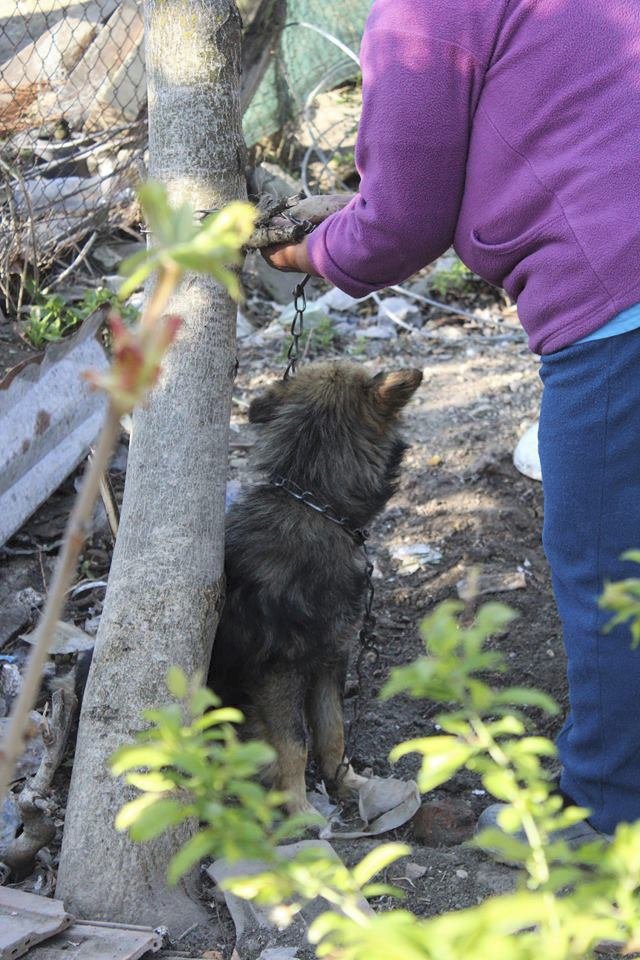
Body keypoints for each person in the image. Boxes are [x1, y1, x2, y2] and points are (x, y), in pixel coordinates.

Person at [262, 0, 640, 838]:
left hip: (619, 299)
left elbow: (400, 221)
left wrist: (310, 251)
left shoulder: (420, 11)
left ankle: (612, 815)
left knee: (606, 565)